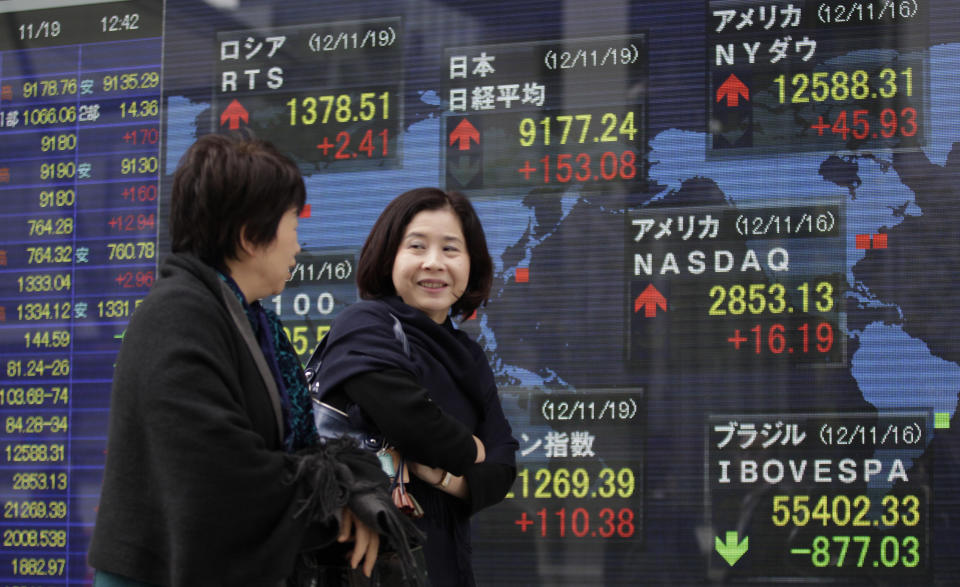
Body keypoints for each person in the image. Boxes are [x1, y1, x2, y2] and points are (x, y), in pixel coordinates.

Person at [88, 134, 421, 586]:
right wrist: (337, 499)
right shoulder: (176, 317)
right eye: (292, 227)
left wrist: (350, 483)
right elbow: (222, 477)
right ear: (250, 237)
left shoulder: (249, 320)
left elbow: (304, 452)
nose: (297, 248)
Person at [310, 187, 519, 586]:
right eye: (417, 246)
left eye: (451, 249)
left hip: (445, 562)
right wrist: (475, 451)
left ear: (472, 263)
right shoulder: (364, 325)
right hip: (365, 566)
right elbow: (417, 428)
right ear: (389, 255)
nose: (434, 263)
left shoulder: (468, 355)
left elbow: (504, 467)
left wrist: (447, 479)